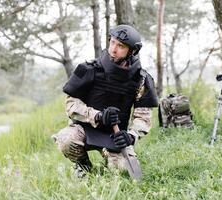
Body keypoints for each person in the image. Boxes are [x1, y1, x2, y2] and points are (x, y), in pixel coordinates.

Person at [52, 24, 158, 178]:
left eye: (120, 46)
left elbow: (144, 117)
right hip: (85, 129)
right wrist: (98, 116)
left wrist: (131, 136)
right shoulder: (88, 69)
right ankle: (83, 166)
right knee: (66, 140)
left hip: (115, 136)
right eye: (112, 42)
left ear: (132, 51)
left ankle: (111, 159)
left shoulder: (141, 79)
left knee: (122, 172)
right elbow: (71, 105)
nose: (113, 49)